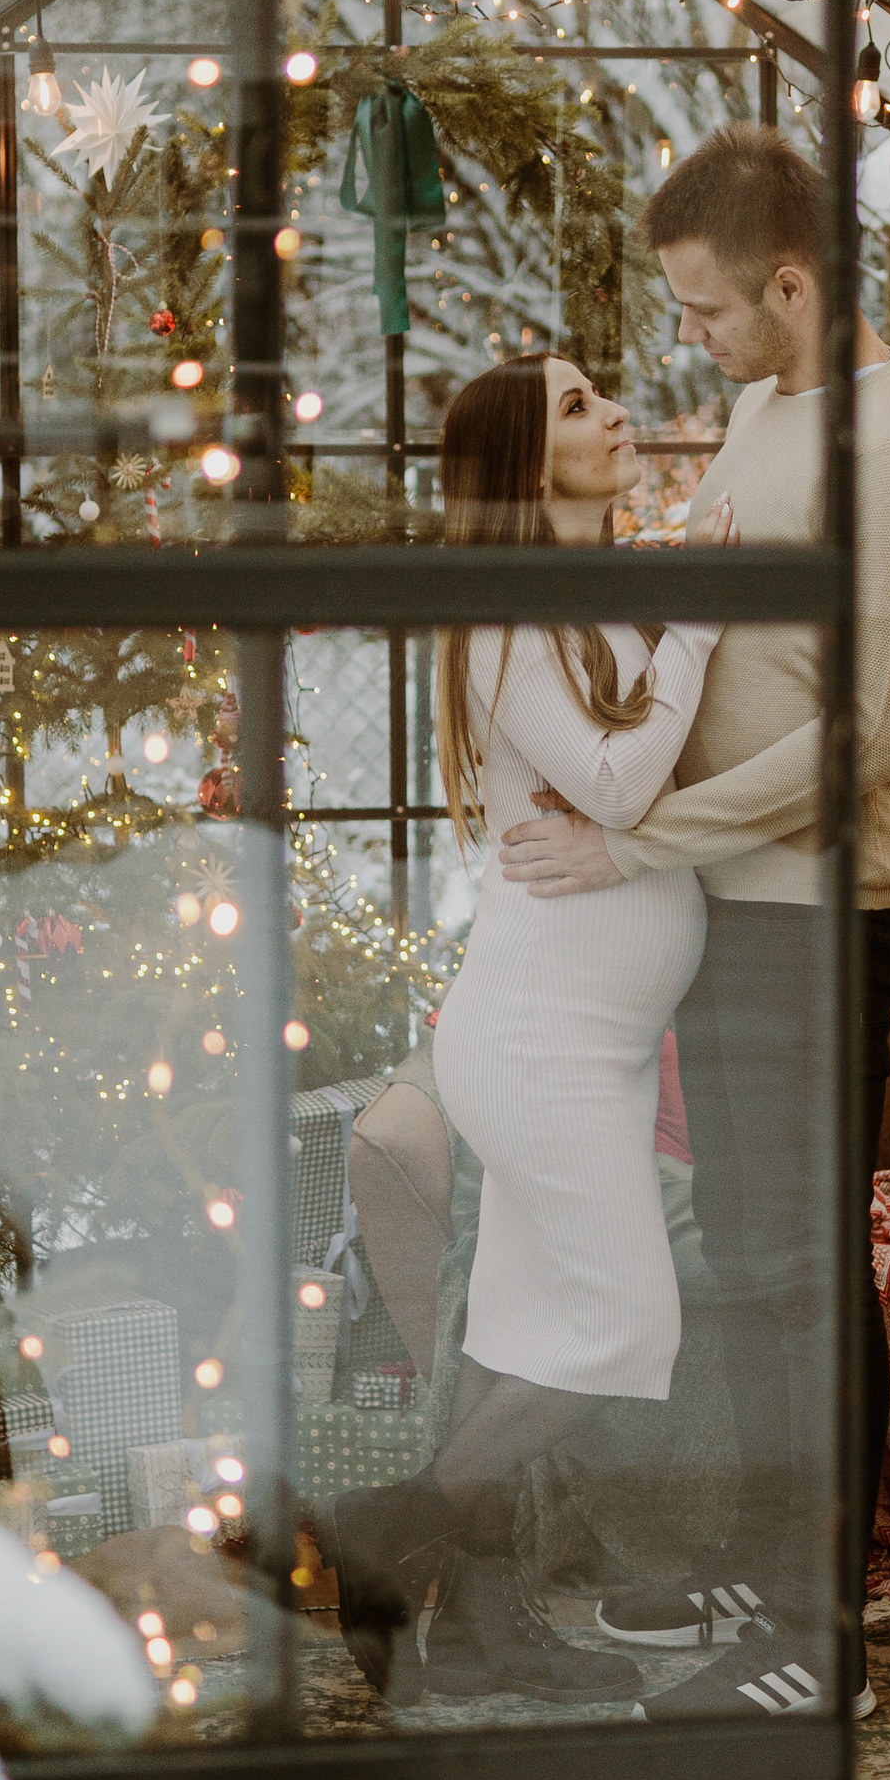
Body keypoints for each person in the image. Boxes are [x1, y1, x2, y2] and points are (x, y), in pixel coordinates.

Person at [499, 126, 890, 1720]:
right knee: (762, 1267)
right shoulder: (777, 407)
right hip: (736, 903)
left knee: (795, 1275)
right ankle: (774, 1584)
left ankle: (810, 1639)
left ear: (792, 283)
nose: (687, 346)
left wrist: (642, 839)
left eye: (707, 312)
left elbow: (866, 745)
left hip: (820, 912)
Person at [331, 352, 728, 1704]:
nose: (615, 415)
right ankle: (393, 1531)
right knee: (626, 1328)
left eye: (600, 396)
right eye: (576, 408)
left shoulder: (597, 599)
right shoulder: (508, 616)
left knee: (516, 1337)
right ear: (520, 466)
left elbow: (635, 783)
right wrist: (706, 630)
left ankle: (483, 1635)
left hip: (591, 1047)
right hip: (538, 1047)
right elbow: (618, 778)